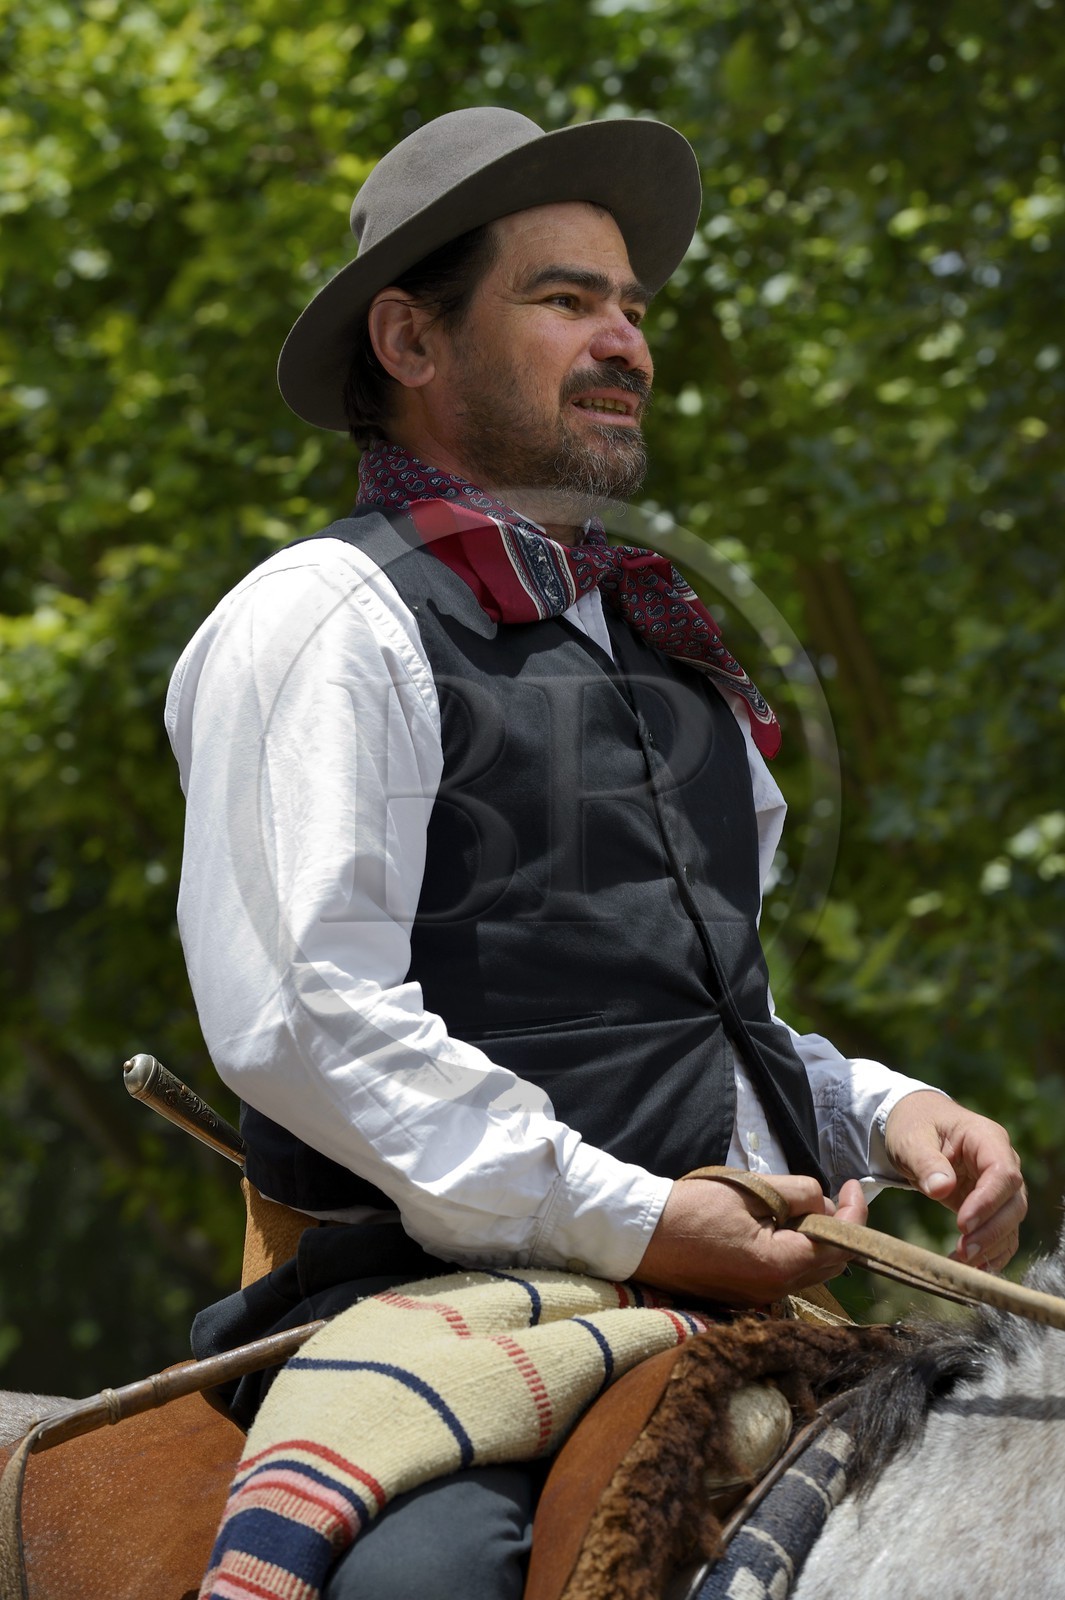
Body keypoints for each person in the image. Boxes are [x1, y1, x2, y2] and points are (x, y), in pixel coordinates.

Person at [166, 107, 1026, 1599]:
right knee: (416, 1588)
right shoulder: (325, 619)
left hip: (735, 1297)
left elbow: (696, 1020)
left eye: (631, 306)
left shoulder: (674, 657)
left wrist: (878, 1112)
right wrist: (637, 1217)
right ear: (410, 342)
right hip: (450, 1306)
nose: (623, 338)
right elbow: (310, 1021)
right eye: (564, 298)